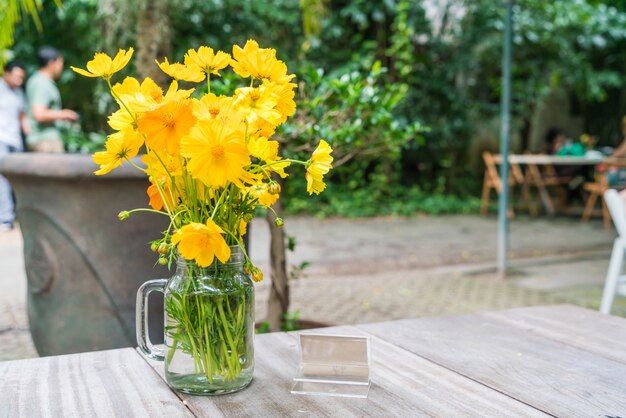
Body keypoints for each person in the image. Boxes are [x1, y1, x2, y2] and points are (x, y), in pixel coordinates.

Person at [25, 46, 79, 153]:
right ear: (51, 63)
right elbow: (39, 114)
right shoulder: (41, 83)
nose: (61, 67)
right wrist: (64, 114)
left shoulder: (40, 81)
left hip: (46, 139)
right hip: (44, 141)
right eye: (60, 63)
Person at [0, 61, 29, 231]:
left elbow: (22, 115)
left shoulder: (18, 92)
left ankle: (15, 215)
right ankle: (5, 218)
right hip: (1, 139)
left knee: (16, 178)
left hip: (16, 141)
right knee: (2, 179)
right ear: (6, 73)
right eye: (17, 76)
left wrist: (29, 133)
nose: (19, 80)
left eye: (22, 78)